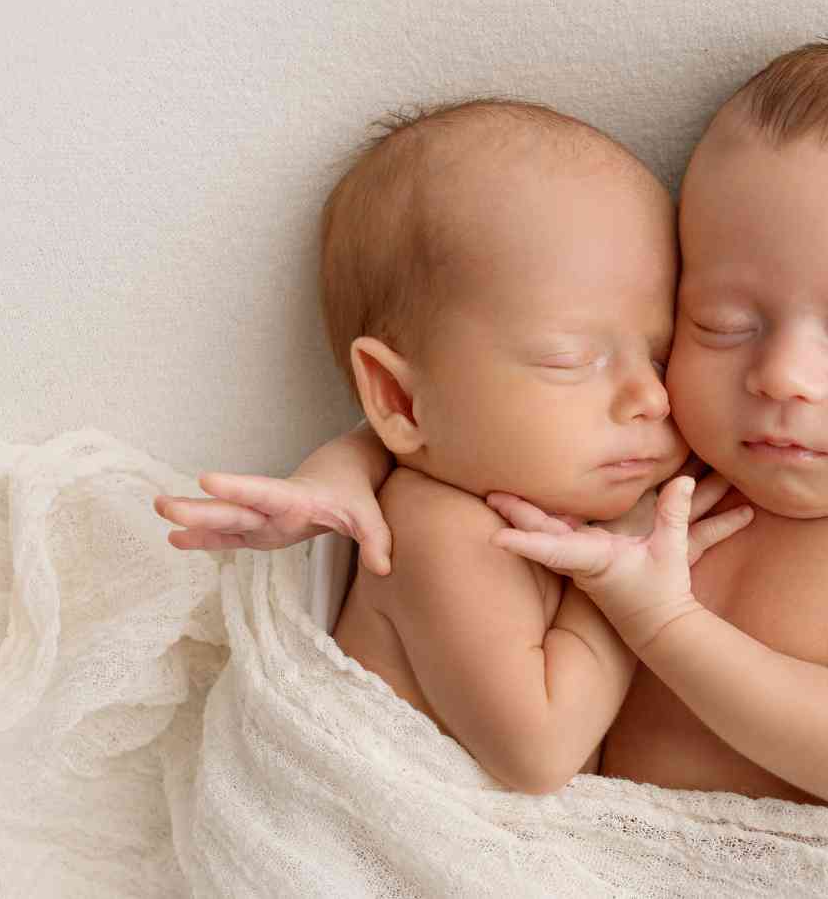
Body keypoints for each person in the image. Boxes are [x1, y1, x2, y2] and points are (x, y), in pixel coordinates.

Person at [161, 38, 828, 808]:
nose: (782, 377)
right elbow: (450, 442)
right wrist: (334, 475)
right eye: (721, 324)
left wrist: (659, 617)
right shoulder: (669, 459)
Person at [155, 98, 750, 795]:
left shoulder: (551, 472)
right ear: (403, 401)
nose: (649, 398)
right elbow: (540, 753)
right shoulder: (443, 532)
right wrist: (624, 578)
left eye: (659, 354)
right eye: (568, 359)